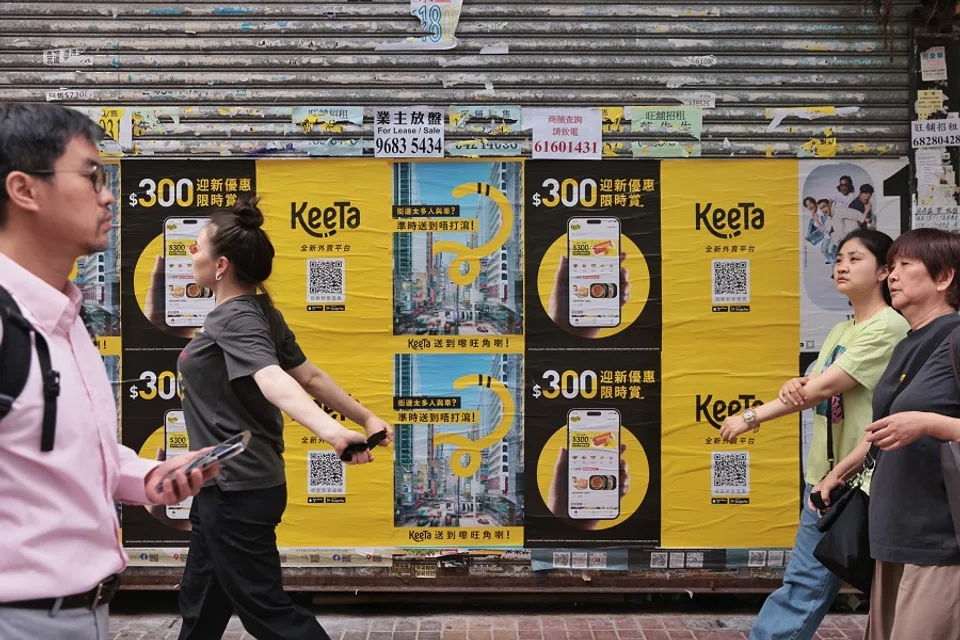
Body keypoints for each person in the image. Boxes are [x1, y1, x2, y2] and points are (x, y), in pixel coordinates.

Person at [0, 102, 218, 640]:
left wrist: (145, 478)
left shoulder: (66, 318)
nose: (106, 194)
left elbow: (58, 449)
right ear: (24, 190)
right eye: (91, 175)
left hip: (87, 612)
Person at [176, 197, 394, 640]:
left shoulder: (234, 319)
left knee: (268, 613)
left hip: (236, 488)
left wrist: (335, 432)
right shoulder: (259, 313)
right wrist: (368, 417)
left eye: (195, 248)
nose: (189, 255)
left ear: (220, 266)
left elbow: (274, 378)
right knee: (202, 602)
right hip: (224, 485)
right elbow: (311, 377)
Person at [720, 229, 909, 640]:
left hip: (861, 483)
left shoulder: (888, 327)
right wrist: (799, 385)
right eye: (838, 258)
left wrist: (749, 417)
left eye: (855, 258)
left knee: (811, 586)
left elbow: (819, 388)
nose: (841, 265)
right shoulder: (843, 331)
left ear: (883, 272)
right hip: (828, 481)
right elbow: (809, 387)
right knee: (809, 584)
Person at [820, 228, 960, 639]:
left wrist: (929, 423)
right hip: (893, 534)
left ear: (943, 278)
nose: (892, 275)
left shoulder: (956, 335)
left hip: (939, 539)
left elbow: (914, 423)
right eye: (891, 266)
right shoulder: (907, 341)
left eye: (905, 266)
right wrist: (840, 472)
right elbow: (884, 428)